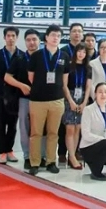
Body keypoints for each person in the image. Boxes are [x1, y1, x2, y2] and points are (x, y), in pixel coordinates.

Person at [27, 24, 69, 175]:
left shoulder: (64, 56)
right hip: (38, 100)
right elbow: (31, 77)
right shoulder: (37, 55)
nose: (56, 38)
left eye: (58, 36)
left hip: (57, 100)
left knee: (53, 133)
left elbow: (64, 80)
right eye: (53, 35)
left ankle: (51, 161)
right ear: (46, 37)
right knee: (36, 133)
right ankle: (35, 162)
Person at [5, 29, 46, 169]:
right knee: (24, 128)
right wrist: (21, 85)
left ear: (40, 41)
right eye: (28, 40)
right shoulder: (20, 58)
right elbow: (7, 77)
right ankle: (27, 156)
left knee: (43, 129)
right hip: (24, 99)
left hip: (43, 99)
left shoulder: (45, 57)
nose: (31, 42)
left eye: (34, 39)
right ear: (25, 42)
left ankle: (42, 156)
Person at [0, 26, 20, 164]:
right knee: (1, 123)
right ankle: (2, 152)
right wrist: (1, 88)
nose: (11, 38)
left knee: (13, 124)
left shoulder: (21, 55)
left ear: (17, 38)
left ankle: (10, 150)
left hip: (16, 95)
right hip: (1, 94)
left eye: (13, 36)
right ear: (4, 38)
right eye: (8, 36)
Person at [79, 82, 106, 181]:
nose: (103, 94)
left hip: (104, 146)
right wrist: (103, 140)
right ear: (95, 94)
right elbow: (85, 134)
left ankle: (98, 162)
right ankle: (96, 171)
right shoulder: (88, 110)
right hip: (89, 146)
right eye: (100, 92)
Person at [63, 43, 92, 169]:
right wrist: (70, 101)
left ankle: (73, 155)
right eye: (79, 51)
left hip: (82, 97)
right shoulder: (69, 65)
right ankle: (71, 156)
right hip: (69, 97)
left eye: (84, 52)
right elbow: (64, 85)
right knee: (70, 128)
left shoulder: (88, 68)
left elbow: (88, 86)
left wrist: (85, 102)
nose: (81, 54)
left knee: (78, 128)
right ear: (75, 52)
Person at [58, 22, 84, 163]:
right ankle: (62, 152)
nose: (77, 33)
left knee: (78, 126)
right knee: (65, 125)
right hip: (65, 92)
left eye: (79, 31)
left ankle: (75, 152)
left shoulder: (85, 51)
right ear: (70, 33)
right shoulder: (63, 51)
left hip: (81, 94)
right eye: (74, 31)